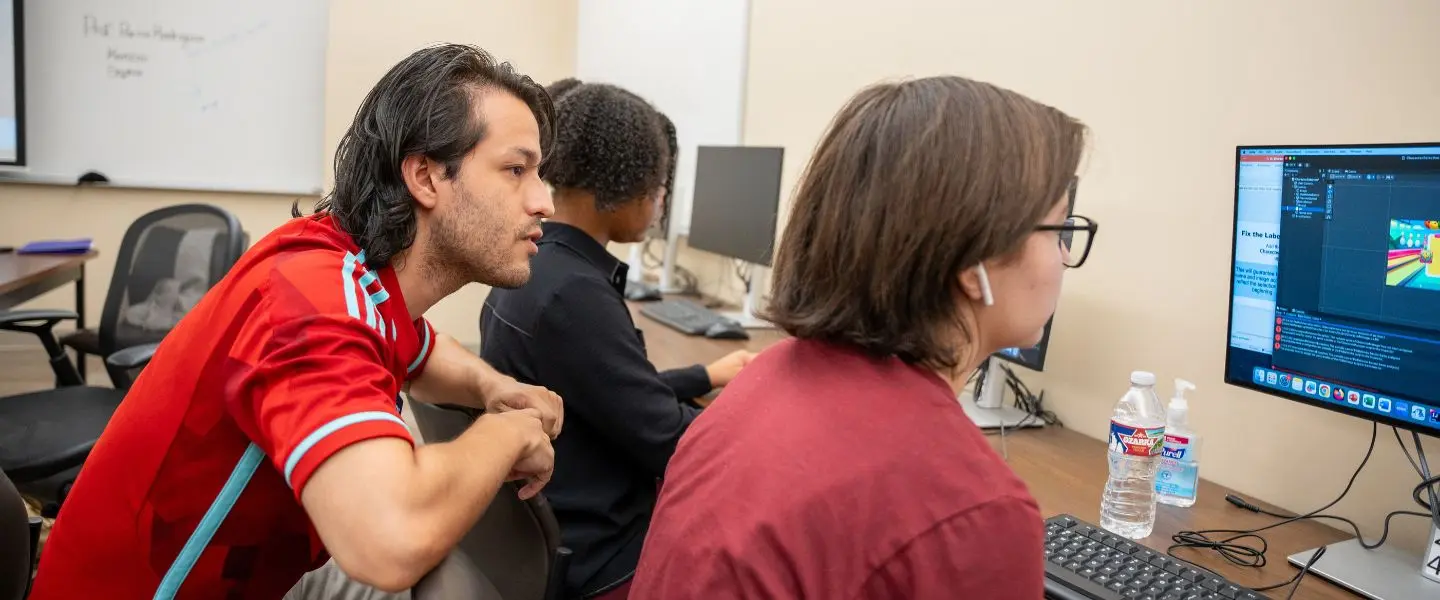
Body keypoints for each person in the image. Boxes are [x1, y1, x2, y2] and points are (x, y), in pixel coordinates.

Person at [29, 44, 566, 600]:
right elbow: (388, 540)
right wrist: (506, 432)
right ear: (425, 177)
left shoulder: (348, 261)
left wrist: (495, 387)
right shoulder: (310, 303)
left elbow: (421, 348)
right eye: (515, 170)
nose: (543, 201)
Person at [630, 76, 1097, 598]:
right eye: (1059, 230)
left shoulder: (767, 375)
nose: (1063, 258)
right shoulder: (976, 508)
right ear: (975, 262)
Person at [479, 79, 754, 600]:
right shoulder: (575, 296)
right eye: (658, 183)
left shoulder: (538, 267)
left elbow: (605, 390)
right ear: (624, 182)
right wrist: (763, 417)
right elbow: (669, 443)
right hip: (605, 560)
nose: (661, 198)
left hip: (548, 534)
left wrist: (705, 376)